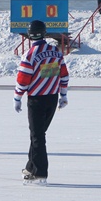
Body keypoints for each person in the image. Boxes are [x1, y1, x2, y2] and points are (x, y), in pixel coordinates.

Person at [13, 20, 70, 185]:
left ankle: (40, 172)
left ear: (30, 35)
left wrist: (17, 97)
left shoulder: (30, 54)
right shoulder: (55, 52)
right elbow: (64, 75)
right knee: (37, 135)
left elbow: (23, 79)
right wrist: (63, 95)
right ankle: (31, 167)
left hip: (37, 99)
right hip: (51, 98)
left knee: (37, 136)